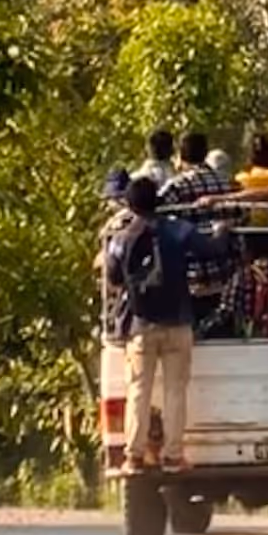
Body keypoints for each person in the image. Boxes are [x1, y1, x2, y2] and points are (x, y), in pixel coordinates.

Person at [115, 173, 197, 472]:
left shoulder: (123, 237)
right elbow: (210, 248)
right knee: (175, 390)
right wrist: (223, 234)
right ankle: (173, 456)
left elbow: (113, 275)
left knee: (139, 390)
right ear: (158, 201)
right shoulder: (178, 230)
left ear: (130, 204)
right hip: (177, 322)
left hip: (141, 325)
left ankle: (134, 457)